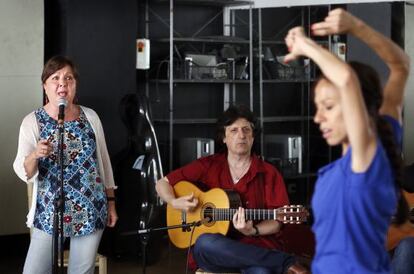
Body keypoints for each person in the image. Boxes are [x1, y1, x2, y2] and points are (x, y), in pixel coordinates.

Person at [284, 21, 408, 273]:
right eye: (317, 107)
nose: (318, 118)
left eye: (328, 106)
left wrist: (306, 45)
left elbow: (347, 79)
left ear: (357, 106)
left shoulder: (365, 161)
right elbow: (400, 65)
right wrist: (356, 28)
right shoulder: (385, 135)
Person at [155, 105, 308, 274]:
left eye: (246, 130)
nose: (241, 135)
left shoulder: (269, 173)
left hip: (255, 245)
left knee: (262, 272)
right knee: (204, 242)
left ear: (253, 136)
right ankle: (286, 263)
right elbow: (162, 183)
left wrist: (253, 230)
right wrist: (173, 201)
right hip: (215, 250)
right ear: (224, 137)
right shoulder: (207, 165)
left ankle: (276, 262)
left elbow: (277, 222)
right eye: (234, 130)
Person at [13, 55, 118, 274]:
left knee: (81, 271)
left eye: (69, 78)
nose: (63, 83)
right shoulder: (32, 121)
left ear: (75, 85)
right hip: (50, 211)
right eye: (55, 78)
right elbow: (25, 172)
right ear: (45, 86)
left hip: (90, 207)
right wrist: (35, 155)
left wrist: (111, 203)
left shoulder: (90, 117)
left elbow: (104, 164)